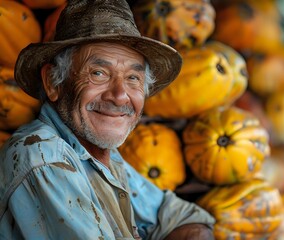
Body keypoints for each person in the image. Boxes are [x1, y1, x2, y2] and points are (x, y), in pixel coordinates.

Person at [0, 0, 215, 239]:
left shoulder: (101, 153)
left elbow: (184, 217)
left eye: (133, 77)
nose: (120, 96)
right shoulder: (45, 158)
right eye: (99, 73)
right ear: (53, 81)